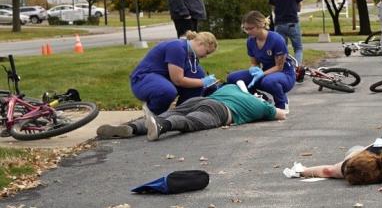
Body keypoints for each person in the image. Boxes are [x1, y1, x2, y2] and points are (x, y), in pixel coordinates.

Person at [97, 83, 285, 141]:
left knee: (169, 113)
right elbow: (281, 114)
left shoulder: (231, 87)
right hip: (221, 111)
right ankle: (162, 127)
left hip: (201, 99)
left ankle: (130, 128)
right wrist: (270, 106)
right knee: (190, 122)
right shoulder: (262, 106)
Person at [129, 31, 219, 115]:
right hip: (143, 79)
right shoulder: (177, 47)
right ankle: (152, 113)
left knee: (197, 80)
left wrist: (205, 84)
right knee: (167, 91)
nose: (206, 56)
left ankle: (179, 114)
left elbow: (195, 76)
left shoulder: (190, 53)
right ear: (201, 44)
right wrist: (203, 82)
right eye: (207, 52)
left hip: (161, 78)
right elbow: (178, 80)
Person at [225, 10, 296, 109]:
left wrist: (262, 74)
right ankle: (261, 98)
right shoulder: (250, 41)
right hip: (266, 73)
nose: (248, 32)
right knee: (233, 78)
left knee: (268, 81)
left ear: (261, 25)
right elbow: (255, 63)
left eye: (251, 28)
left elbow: (279, 67)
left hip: (284, 74)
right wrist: (253, 69)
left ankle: (282, 103)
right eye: (245, 29)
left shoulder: (276, 39)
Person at [269, 0, 303, 65]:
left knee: (282, 49)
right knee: (298, 48)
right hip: (293, 23)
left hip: (279, 24)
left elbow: (273, 9)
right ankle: (297, 69)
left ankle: (286, 68)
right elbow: (299, 7)